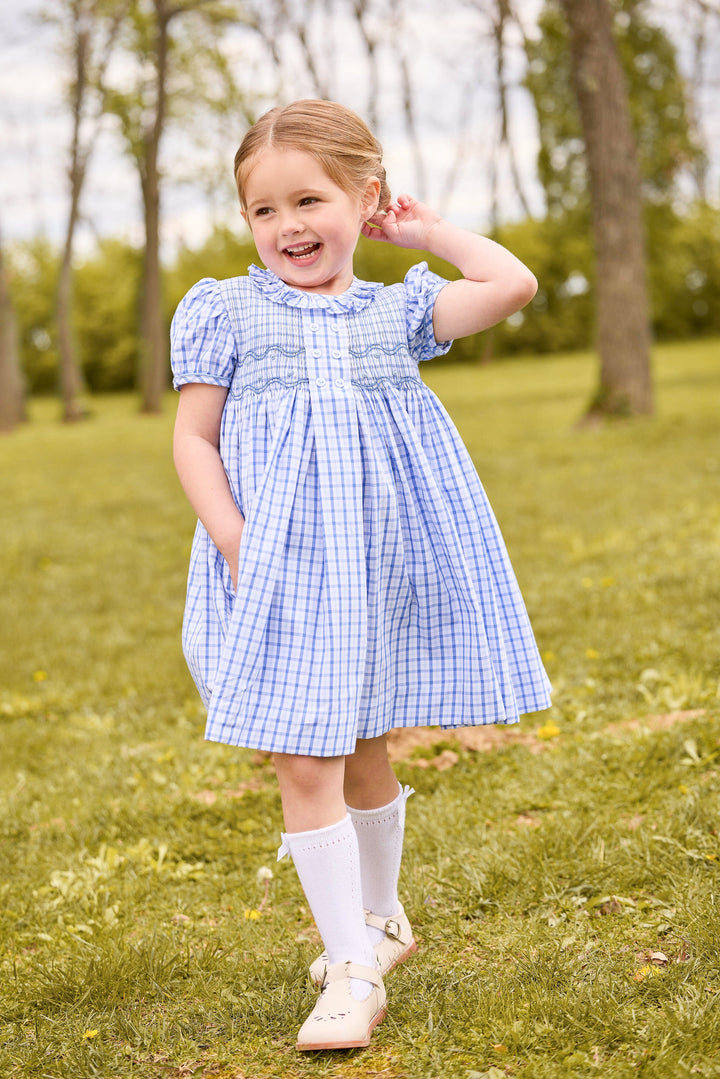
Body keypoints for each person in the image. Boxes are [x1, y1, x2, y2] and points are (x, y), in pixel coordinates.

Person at [171, 98, 551, 1052]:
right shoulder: (226, 309)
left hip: (378, 566)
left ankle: (380, 921)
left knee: (365, 744)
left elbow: (511, 283)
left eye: (311, 200)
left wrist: (423, 232)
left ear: (364, 198)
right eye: (265, 209)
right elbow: (194, 437)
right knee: (304, 756)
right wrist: (234, 541)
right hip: (276, 563)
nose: (289, 225)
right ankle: (350, 967)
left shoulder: (395, 311)